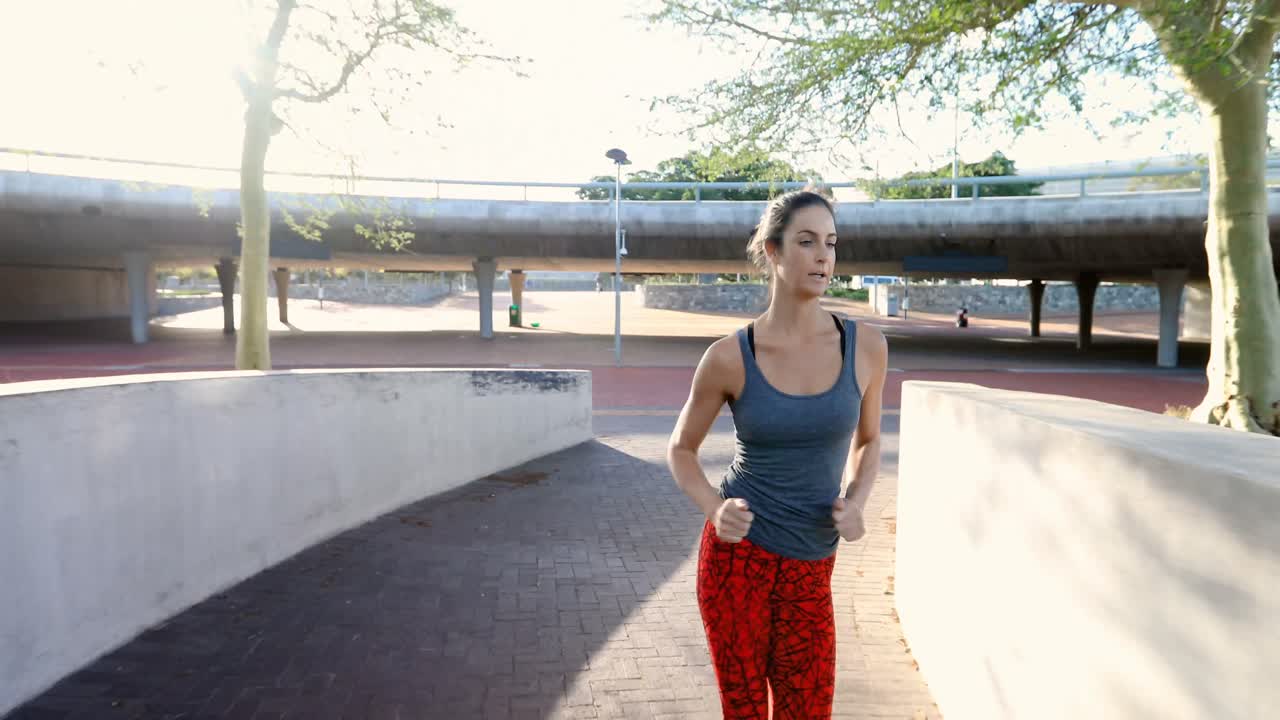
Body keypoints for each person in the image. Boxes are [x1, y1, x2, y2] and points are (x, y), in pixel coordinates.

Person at [666, 190, 888, 719]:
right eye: (807, 241)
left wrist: (857, 501)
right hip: (738, 561)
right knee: (745, 712)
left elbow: (869, 440)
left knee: (808, 710)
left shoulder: (866, 347)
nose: (823, 256)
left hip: (812, 564)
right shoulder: (728, 356)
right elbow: (681, 449)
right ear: (773, 250)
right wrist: (714, 509)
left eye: (831, 243)